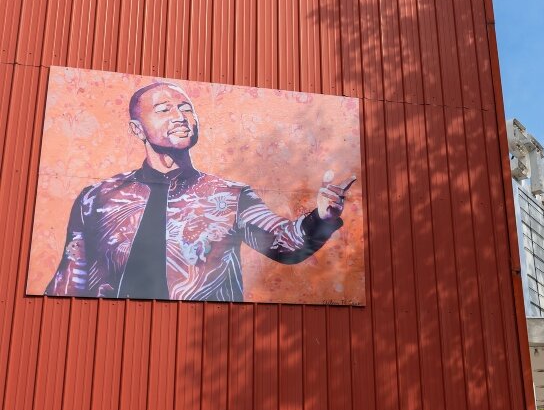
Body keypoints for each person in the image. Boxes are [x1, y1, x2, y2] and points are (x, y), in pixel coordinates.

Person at [45, 82, 354, 302]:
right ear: (137, 129)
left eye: (186, 108)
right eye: (164, 110)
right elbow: (70, 280)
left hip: (206, 345)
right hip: (109, 335)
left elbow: (284, 243)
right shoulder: (98, 197)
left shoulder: (229, 196)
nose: (180, 117)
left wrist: (322, 218)